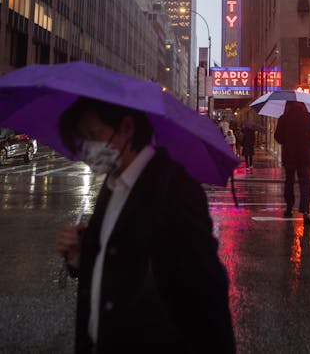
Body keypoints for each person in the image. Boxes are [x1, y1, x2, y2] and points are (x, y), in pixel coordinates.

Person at [56, 96, 235, 353]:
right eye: (83, 138)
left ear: (127, 128)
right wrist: (79, 255)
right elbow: (117, 264)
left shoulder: (174, 190)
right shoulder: (113, 182)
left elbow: (206, 299)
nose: (87, 148)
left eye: (94, 135)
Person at [274, 100, 310, 226]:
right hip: (304, 154)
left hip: (289, 155)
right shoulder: (308, 117)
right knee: (305, 182)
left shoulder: (284, 118)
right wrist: (309, 143)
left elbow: (277, 137)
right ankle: (305, 211)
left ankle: (289, 207)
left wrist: (286, 141)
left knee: (289, 181)